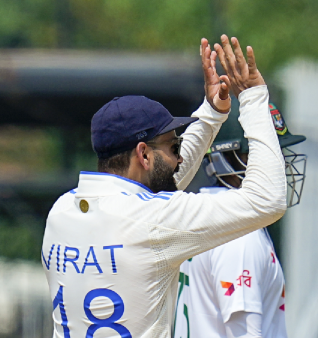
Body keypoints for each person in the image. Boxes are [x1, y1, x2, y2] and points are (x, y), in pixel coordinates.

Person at [41, 35, 287, 337]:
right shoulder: (152, 223)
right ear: (143, 154)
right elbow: (267, 200)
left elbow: (156, 192)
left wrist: (211, 115)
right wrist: (252, 99)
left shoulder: (62, 212)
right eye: (174, 147)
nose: (178, 159)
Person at [173, 101, 306, 338]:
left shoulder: (198, 214)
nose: (279, 163)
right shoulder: (240, 234)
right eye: (264, 150)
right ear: (228, 157)